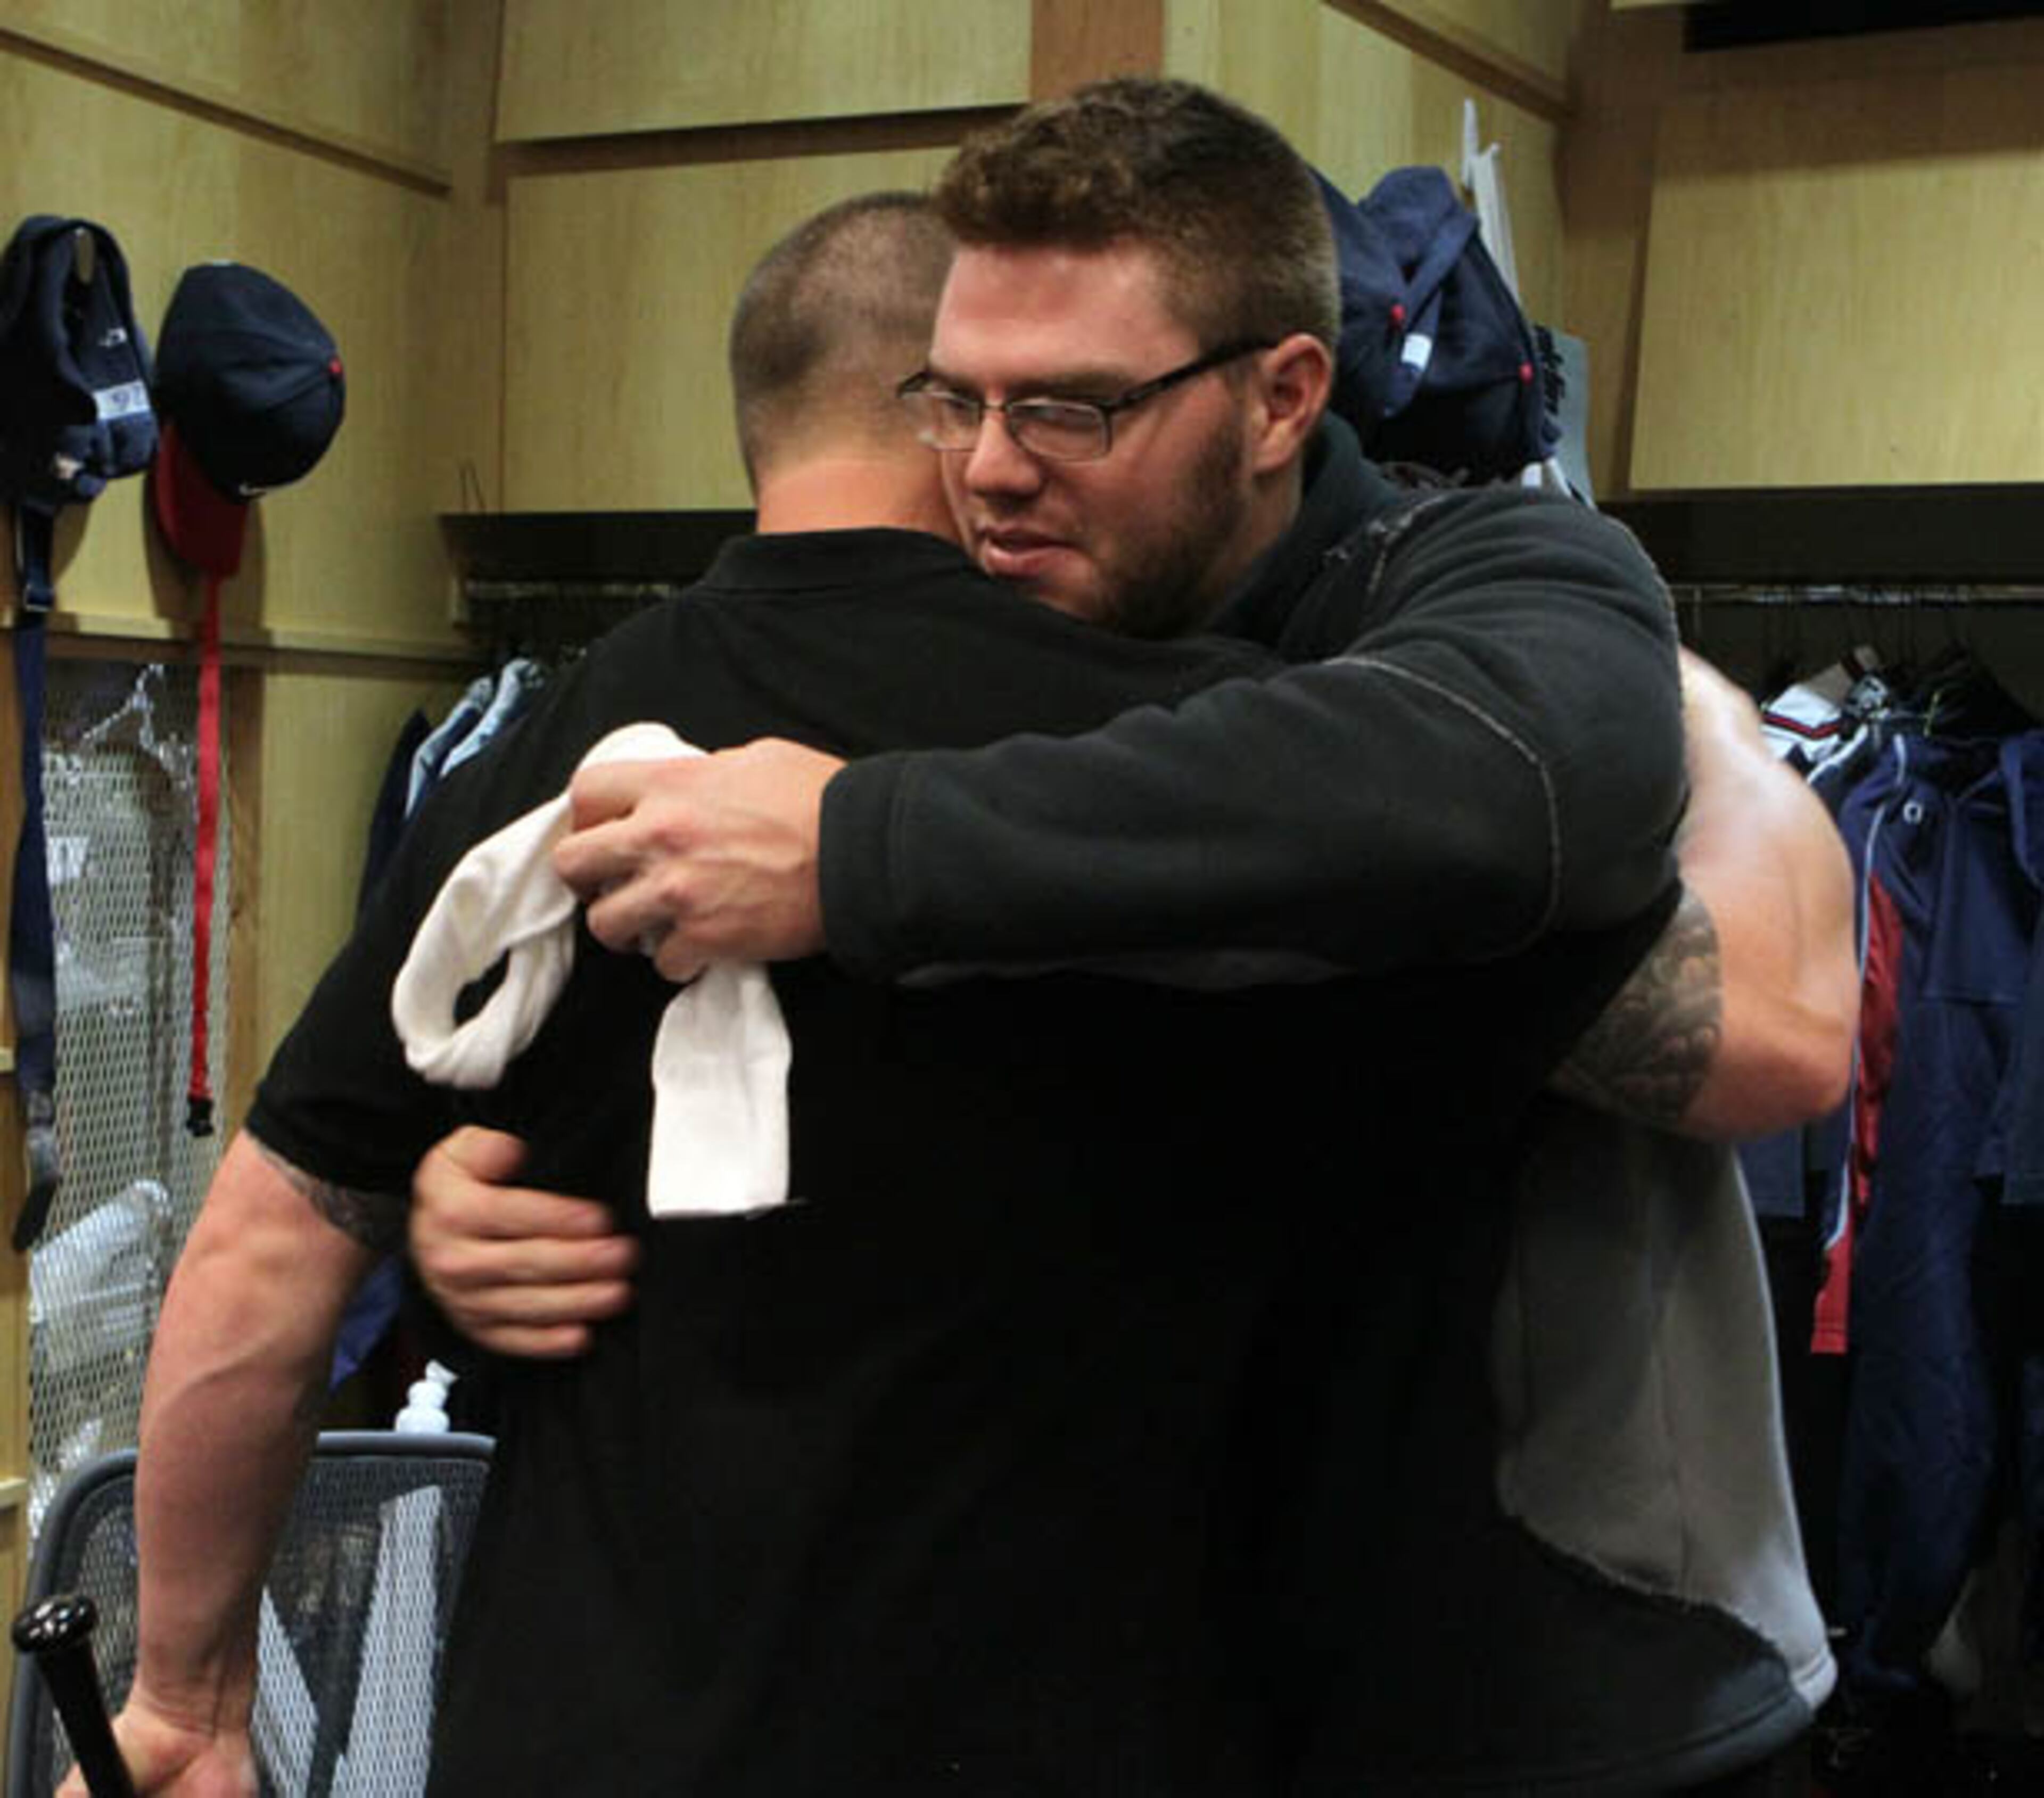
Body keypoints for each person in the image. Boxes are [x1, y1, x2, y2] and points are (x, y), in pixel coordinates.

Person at [424, 80, 1857, 1794]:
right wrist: (502, 1184)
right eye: (957, 399)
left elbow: (1618, 881)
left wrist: (852, 843)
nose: (992, 467)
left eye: (1076, 409)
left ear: (1283, 397)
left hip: (1556, 1672)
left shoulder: (1476, 581)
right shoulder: (995, 645)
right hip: (1166, 1658)